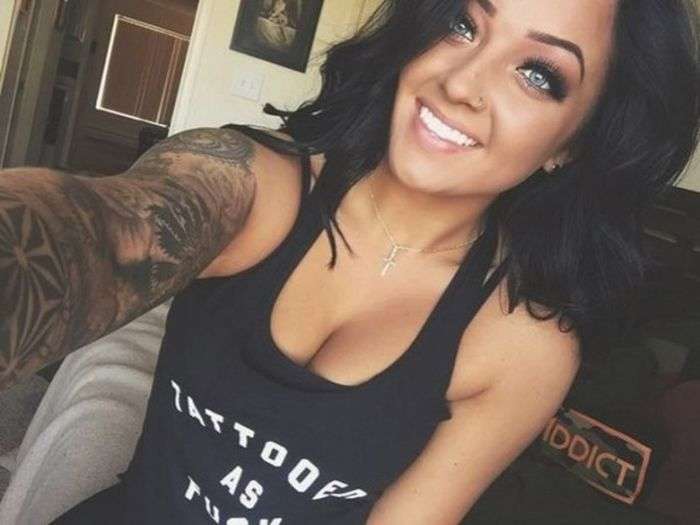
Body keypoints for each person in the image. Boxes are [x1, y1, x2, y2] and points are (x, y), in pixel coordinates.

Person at [1, 0, 698, 523]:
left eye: (538, 74)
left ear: (572, 144)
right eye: (463, 23)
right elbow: (101, 230)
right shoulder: (251, 182)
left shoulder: (522, 349)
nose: (461, 83)